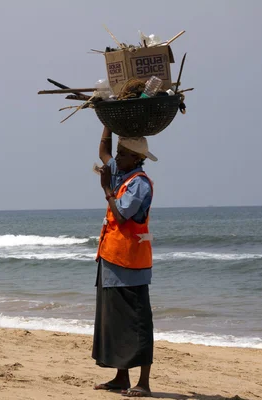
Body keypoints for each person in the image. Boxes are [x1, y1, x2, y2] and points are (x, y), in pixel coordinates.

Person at [92, 126, 156, 398]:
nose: (115, 158)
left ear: (134, 157)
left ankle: (143, 383)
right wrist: (107, 122)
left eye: (122, 153)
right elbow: (103, 151)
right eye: (118, 152)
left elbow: (121, 217)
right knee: (116, 320)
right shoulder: (123, 173)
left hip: (131, 264)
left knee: (137, 321)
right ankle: (121, 377)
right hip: (112, 258)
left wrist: (106, 188)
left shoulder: (139, 183)